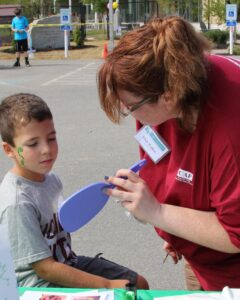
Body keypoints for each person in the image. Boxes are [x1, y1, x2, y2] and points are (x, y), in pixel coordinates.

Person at [97, 16, 240, 291]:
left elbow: (234, 234)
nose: (128, 114)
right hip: (202, 259)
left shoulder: (230, 130)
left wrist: (158, 212)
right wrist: (178, 228)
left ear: (169, 95)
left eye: (129, 106)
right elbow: (167, 162)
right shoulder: (169, 83)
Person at [0, 93, 149, 289]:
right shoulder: (16, 202)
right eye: (33, 144)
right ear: (9, 150)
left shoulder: (51, 179)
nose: (46, 149)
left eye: (51, 138)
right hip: (39, 285)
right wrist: (107, 284)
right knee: (123, 292)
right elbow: (45, 269)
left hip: (66, 262)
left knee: (138, 284)